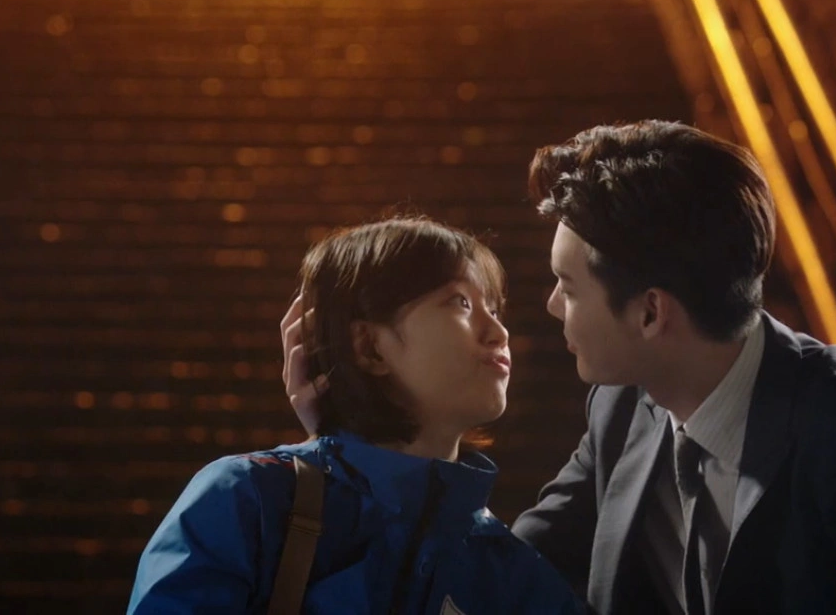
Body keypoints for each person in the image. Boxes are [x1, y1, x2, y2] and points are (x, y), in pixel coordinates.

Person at [284, 121, 836, 614]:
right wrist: (354, 450)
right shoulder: (625, 408)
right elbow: (495, 576)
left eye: (568, 287)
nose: (549, 306)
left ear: (651, 312)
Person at [129, 217, 582, 614]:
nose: (498, 331)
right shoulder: (250, 501)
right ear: (368, 346)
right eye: (460, 302)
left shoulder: (513, 574)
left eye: (495, 309)